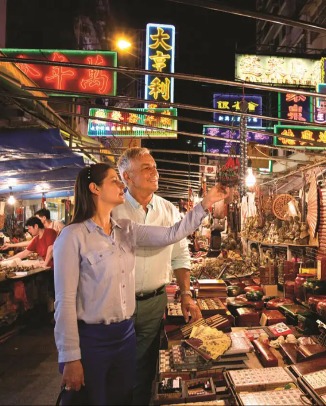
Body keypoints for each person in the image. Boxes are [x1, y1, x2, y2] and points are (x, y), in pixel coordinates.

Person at [53, 162, 229, 406]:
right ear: (94, 188)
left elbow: (172, 234)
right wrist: (70, 357)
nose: (120, 184)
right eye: (114, 180)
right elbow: (65, 300)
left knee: (123, 396)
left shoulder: (125, 229)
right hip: (93, 338)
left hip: (125, 335)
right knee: (92, 399)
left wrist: (206, 202)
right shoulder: (73, 236)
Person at [112, 147, 203, 405]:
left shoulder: (168, 209)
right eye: (146, 168)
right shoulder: (114, 210)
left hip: (154, 302)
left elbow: (180, 254)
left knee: (144, 368)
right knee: (117, 367)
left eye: (154, 166)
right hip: (117, 302)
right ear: (127, 177)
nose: (155, 172)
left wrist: (186, 294)